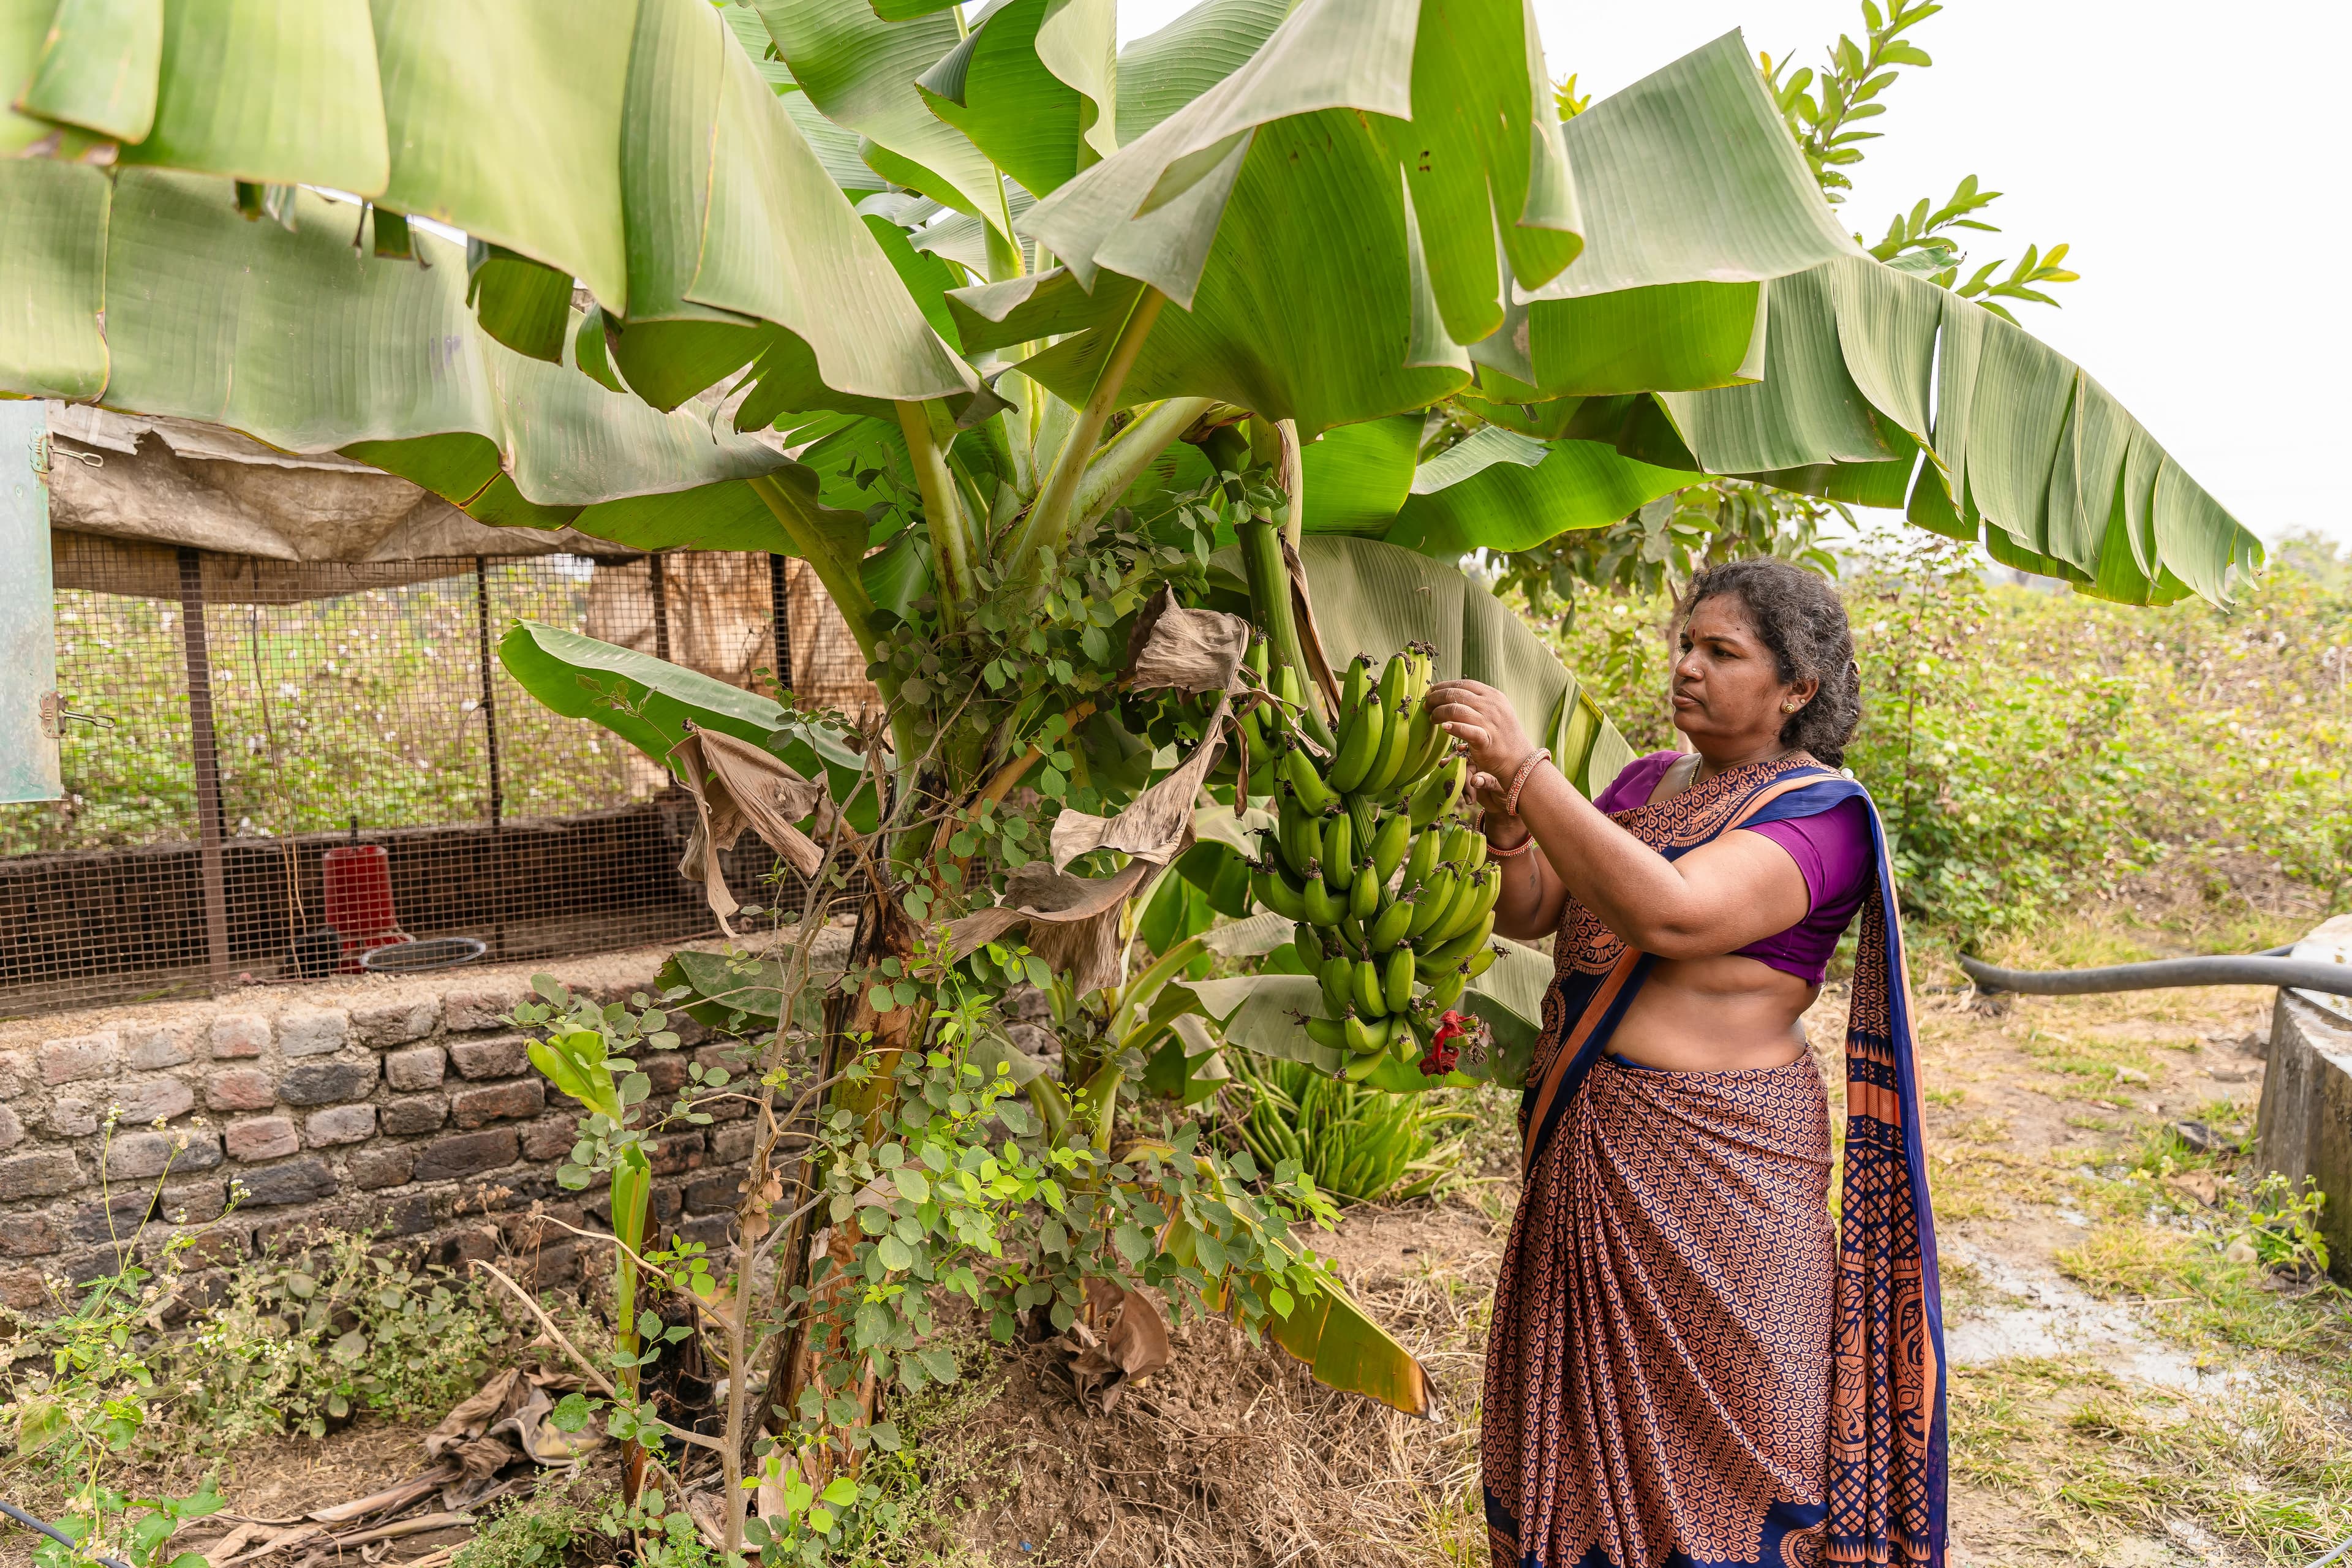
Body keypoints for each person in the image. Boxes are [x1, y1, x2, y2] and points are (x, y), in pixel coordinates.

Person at [1422, 559, 1945, 1568]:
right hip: (1594, 1151)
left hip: (1727, 1171)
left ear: (1797, 688)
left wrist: (1530, 771)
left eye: (1722, 652)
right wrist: (1511, 832)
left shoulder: (1823, 817)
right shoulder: (1645, 784)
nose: (1688, 667)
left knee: (1753, 1427)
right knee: (1579, 1438)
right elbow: (1537, 913)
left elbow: (1672, 914)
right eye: (1686, 645)